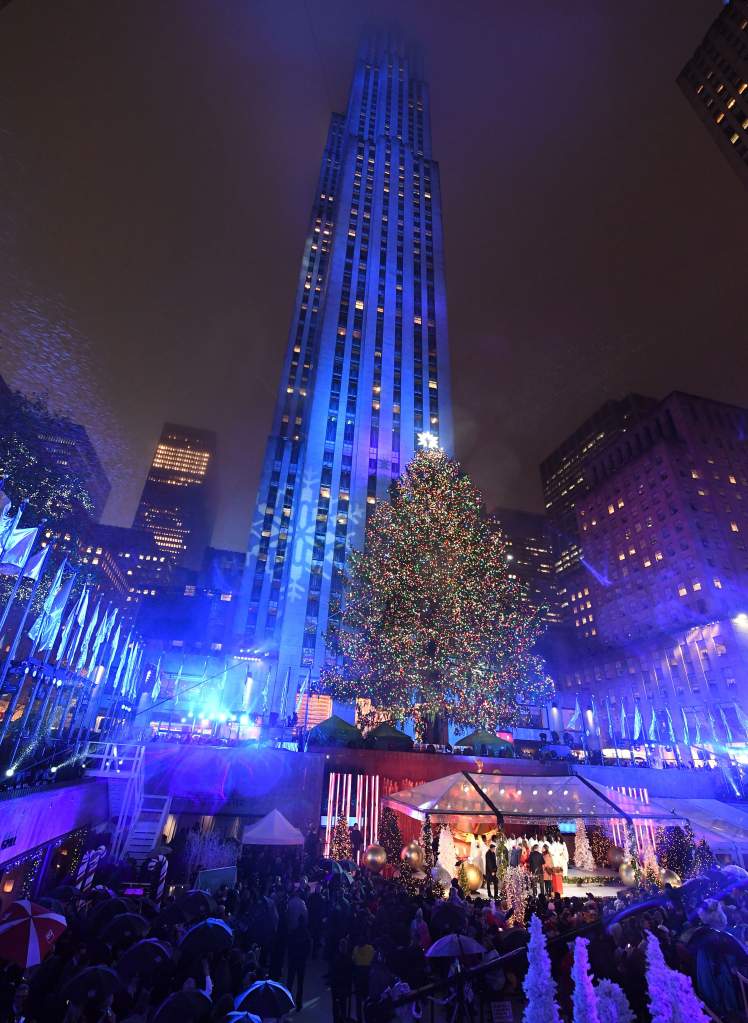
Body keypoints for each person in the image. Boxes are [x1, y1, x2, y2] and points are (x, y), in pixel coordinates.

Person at [286, 916, 312, 1012]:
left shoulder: (294, 932)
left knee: (290, 981)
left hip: (293, 960)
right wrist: (305, 957)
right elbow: (309, 948)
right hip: (301, 961)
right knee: (300, 983)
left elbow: (289, 946)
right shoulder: (306, 934)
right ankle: (299, 1003)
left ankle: (287, 1002)